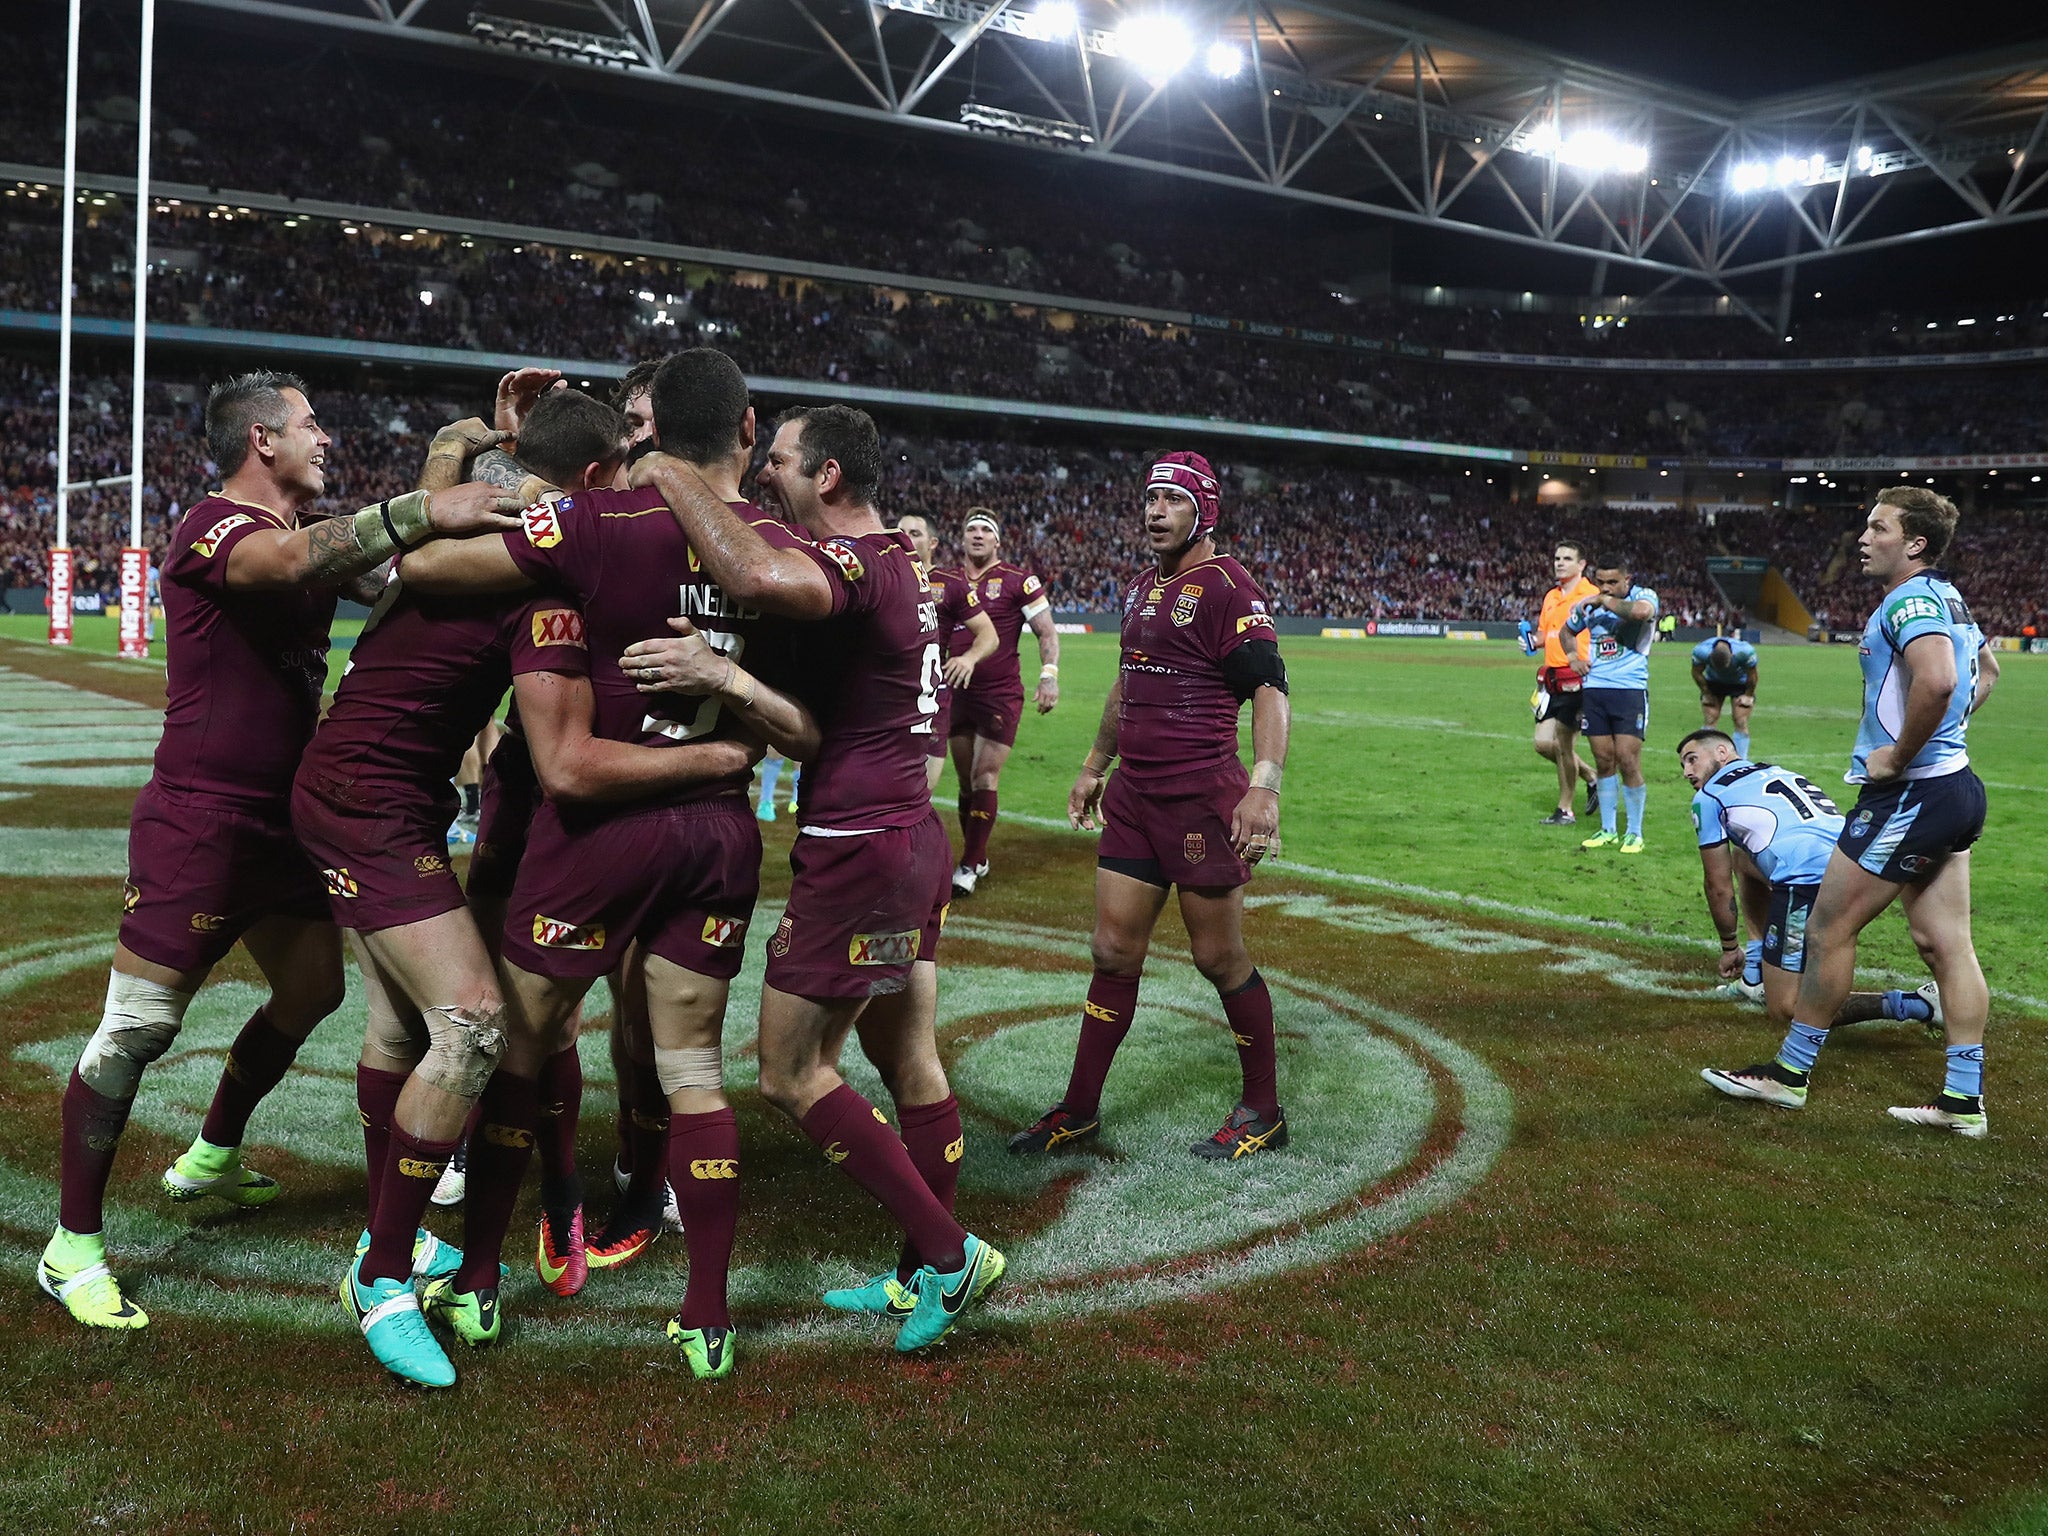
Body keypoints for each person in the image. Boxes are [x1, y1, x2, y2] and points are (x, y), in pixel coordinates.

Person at [36, 371, 521, 1332]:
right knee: (137, 1030)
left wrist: (487, 449)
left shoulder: (312, 537)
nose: (325, 438)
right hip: (203, 819)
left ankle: (212, 1150)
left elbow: (404, 570)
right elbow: (292, 564)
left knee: (314, 994)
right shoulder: (213, 528)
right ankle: (73, 1245)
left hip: (293, 817)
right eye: (309, 425)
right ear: (262, 439)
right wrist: (428, 499)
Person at [295, 389, 752, 1387]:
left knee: (397, 1032)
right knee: (471, 1022)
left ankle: (410, 1238)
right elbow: (564, 757)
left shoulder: (495, 510)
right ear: (592, 484)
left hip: (383, 787)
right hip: (365, 798)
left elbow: (412, 551)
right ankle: (380, 1275)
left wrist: (466, 443)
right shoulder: (552, 553)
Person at [632, 394, 1005, 1354]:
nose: (769, 474)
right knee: (905, 1057)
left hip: (860, 845)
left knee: (790, 1072)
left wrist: (667, 467)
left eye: (785, 463)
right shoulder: (910, 569)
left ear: (827, 476)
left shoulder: (850, 562)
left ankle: (949, 1252)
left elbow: (755, 571)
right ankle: (919, 1275)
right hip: (911, 838)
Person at [1010, 451, 1291, 1162]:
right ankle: (1078, 1110)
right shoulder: (1139, 588)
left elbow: (1268, 687)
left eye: (1171, 499)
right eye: (1150, 498)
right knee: (1111, 951)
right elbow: (1124, 684)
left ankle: (1264, 1108)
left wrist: (1264, 784)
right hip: (1134, 794)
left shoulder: (1230, 586)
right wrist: (1092, 766)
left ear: (1206, 511)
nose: (1154, 510)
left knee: (1218, 958)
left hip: (1200, 796)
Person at [1702, 488, 2000, 1135]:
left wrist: (1898, 754)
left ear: (1914, 543)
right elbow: (1988, 674)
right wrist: (1943, 742)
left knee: (1827, 930)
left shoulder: (1910, 599)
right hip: (1955, 788)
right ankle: (1962, 1098)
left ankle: (1788, 1076)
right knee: (1944, 943)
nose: (1864, 537)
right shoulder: (1949, 596)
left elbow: (1942, 680)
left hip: (1911, 793)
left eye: (1878, 527)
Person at [1680, 729, 1942, 1030]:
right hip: (1853, 863)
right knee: (1743, 859)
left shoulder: (1708, 796)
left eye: (1692, 760)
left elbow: (1717, 885)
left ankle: (1916, 1004)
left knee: (1787, 1007)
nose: (1688, 771)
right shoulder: (1775, 771)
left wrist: (1729, 946)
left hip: (1805, 878)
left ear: (1723, 753)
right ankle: (1754, 974)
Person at [941, 508, 1059, 895]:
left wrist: (1049, 676)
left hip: (999, 694)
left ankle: (970, 863)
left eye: (984, 530)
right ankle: (977, 854)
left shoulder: (1019, 580)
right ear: (962, 538)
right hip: (954, 690)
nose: (977, 535)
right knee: (964, 782)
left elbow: (1046, 632)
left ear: (997, 541)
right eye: (970, 528)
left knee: (984, 775)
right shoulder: (944, 579)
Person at [896, 510, 998, 794]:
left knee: (919, 792)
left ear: (933, 543)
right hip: (887, 693)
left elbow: (988, 634)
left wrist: (969, 658)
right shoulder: (884, 576)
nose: (904, 538)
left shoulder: (950, 583)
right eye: (900, 532)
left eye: (915, 533)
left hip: (930, 699)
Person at [1566, 557, 1659, 853]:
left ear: (1627, 579)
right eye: (1601, 582)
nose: (1605, 587)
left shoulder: (1642, 596)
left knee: (1628, 760)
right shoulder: (1590, 604)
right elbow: (1567, 631)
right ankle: (1607, 830)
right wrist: (1573, 658)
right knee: (1604, 760)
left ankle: (1634, 832)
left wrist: (1602, 600)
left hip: (1629, 690)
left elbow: (1641, 613)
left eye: (1612, 582)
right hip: (1595, 689)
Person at [1523, 540, 1600, 825]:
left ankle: (1565, 809)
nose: (1559, 563)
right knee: (1544, 743)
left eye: (1567, 558)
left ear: (1582, 565)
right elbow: (1546, 634)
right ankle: (1591, 777)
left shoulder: (1590, 595)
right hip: (1551, 678)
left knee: (1564, 745)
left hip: (1577, 678)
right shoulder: (1551, 596)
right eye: (1557, 558)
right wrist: (1532, 640)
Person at [1691, 636, 1760, 756]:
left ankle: (1740, 763)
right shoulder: (1701, 651)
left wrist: (1748, 695)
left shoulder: (1745, 652)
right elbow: (1696, 672)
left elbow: (1752, 676)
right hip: (1714, 682)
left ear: (1732, 656)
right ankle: (1706, 759)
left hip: (1740, 683)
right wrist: (1706, 692)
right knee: (1710, 719)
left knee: (1741, 720)